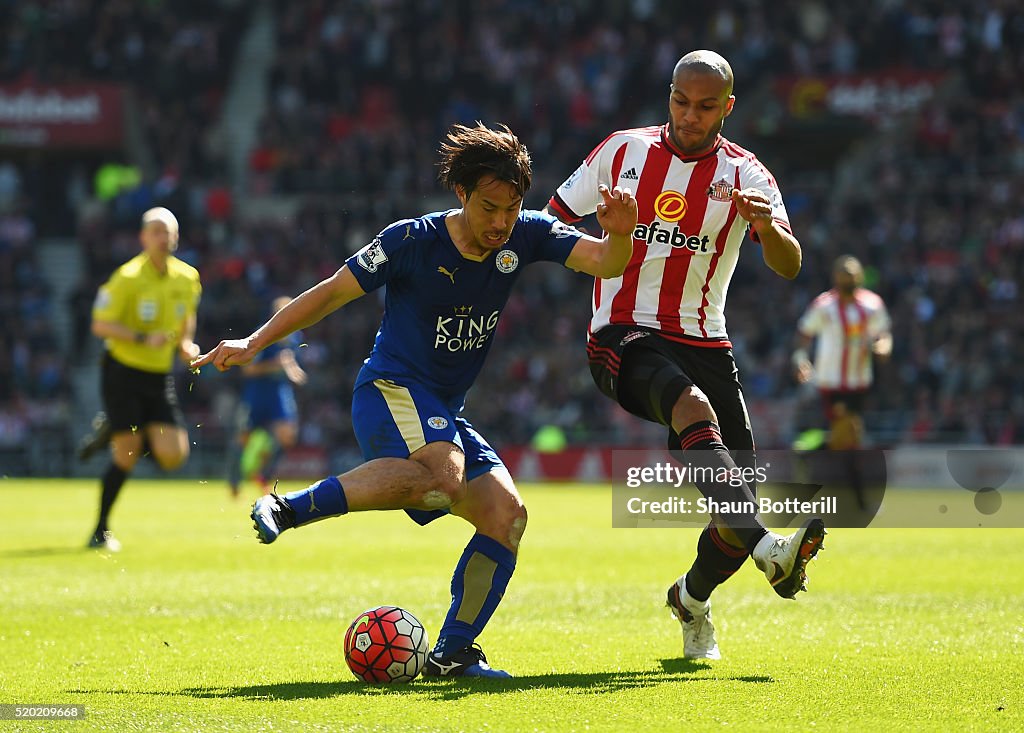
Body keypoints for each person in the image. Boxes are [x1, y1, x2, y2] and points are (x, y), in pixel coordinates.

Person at [193, 123, 637, 678]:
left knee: (507, 516)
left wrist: (620, 235)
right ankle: (287, 508)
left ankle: (452, 654)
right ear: (461, 193)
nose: (501, 221)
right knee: (445, 476)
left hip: (443, 410)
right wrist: (255, 341)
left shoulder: (528, 234)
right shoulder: (411, 240)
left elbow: (606, 262)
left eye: (512, 206)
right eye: (489, 206)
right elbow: (332, 291)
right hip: (390, 390)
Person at [546, 50, 825, 661]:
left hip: (706, 340)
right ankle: (769, 550)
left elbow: (790, 265)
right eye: (680, 102)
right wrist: (606, 241)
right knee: (689, 407)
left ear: (727, 107)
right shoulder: (621, 152)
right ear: (667, 95)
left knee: (733, 507)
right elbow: (551, 224)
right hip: (620, 331)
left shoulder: (748, 176)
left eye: (704, 107)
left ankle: (691, 600)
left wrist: (769, 229)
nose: (689, 117)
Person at [83, 207, 201, 551]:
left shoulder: (187, 277)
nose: (164, 238)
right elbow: (99, 325)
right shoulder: (127, 277)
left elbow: (187, 316)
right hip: (123, 371)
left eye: (170, 232)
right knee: (127, 454)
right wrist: (139, 337)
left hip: (158, 374)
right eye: (157, 231)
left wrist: (185, 344)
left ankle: (116, 428)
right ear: (144, 237)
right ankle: (100, 529)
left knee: (173, 455)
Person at [792, 255, 892, 507]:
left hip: (859, 383)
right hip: (833, 383)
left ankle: (807, 448)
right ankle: (861, 502)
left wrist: (884, 347)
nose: (848, 277)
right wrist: (800, 359)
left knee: (847, 442)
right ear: (835, 276)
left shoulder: (871, 305)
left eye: (852, 273)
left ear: (859, 276)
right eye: (843, 273)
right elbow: (803, 337)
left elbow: (883, 335)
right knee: (850, 438)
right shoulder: (824, 306)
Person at [228, 296, 308, 497]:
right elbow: (248, 371)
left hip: (279, 393)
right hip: (257, 394)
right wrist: (275, 365)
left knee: (287, 436)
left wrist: (294, 371)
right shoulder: (262, 334)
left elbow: (291, 363)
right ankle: (234, 482)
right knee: (243, 438)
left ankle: (263, 475)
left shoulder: (295, 337)